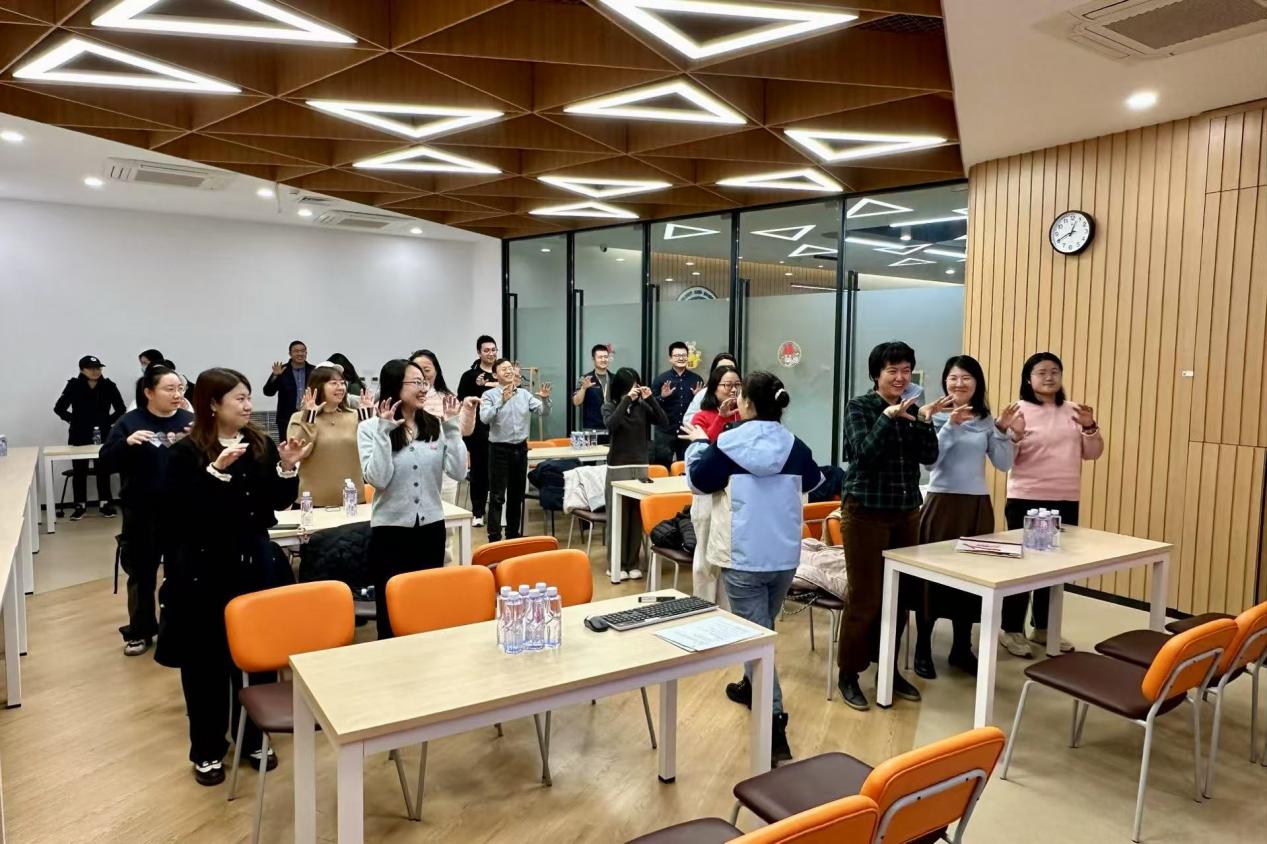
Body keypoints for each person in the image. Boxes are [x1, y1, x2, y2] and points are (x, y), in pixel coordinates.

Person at [160, 368, 310, 785]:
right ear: (213, 404)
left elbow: (274, 503)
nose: (248, 406)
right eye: (239, 399)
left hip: (253, 563)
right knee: (205, 663)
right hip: (203, 570)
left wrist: (286, 468)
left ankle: (254, 737)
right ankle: (207, 748)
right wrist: (216, 473)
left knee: (257, 656)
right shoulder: (186, 452)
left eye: (248, 397)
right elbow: (182, 515)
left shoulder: (259, 443)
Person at [684, 371, 822, 765]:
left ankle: (774, 722)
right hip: (783, 557)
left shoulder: (727, 444)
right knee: (762, 628)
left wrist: (699, 444)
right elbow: (813, 480)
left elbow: (698, 482)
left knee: (756, 638)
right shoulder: (794, 444)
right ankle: (750, 685)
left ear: (746, 403)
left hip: (743, 557)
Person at [836, 341, 942, 711]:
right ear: (876, 374)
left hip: (905, 511)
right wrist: (887, 417)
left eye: (905, 370)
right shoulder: (860, 406)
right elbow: (862, 455)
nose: (900, 377)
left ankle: (889, 670)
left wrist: (924, 420)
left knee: (900, 597)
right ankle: (849, 672)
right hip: (865, 510)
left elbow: (929, 457)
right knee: (866, 597)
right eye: (892, 370)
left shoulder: (913, 408)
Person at [913, 356, 1019, 680]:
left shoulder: (986, 420)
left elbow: (1004, 464)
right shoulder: (934, 415)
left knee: (972, 578)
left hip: (976, 507)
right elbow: (930, 463)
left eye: (966, 378)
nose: (959, 383)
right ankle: (922, 648)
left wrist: (1002, 430)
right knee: (932, 579)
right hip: (941, 503)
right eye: (953, 378)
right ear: (945, 382)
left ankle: (961, 647)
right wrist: (950, 426)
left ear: (977, 383)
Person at [998, 352, 1104, 658]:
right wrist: (1015, 435)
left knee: (1053, 565)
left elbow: (1093, 453)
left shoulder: (1075, 411)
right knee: (1023, 565)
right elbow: (1007, 460)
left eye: (1054, 371)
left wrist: (1090, 426)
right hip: (1027, 498)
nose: (1049, 377)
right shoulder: (1018, 410)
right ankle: (1011, 629)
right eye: (1041, 372)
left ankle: (1044, 627)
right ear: (1028, 378)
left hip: (1065, 498)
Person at [358, 359, 466, 639]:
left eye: (424, 383)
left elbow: (458, 472)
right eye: (416, 382)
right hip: (390, 531)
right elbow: (378, 479)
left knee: (426, 603)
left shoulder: (434, 425)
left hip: (431, 528)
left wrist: (453, 427)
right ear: (395, 385)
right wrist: (384, 433)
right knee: (391, 609)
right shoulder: (370, 428)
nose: (423, 388)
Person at [98, 365, 195, 657]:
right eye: (169, 389)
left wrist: (200, 441)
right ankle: (140, 631)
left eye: (180, 388)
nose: (177, 394)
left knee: (182, 573)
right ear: (149, 392)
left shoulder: (190, 422)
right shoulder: (129, 422)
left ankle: (179, 629)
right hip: (142, 513)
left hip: (182, 512)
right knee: (142, 574)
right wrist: (126, 445)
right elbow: (105, 461)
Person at [602, 367, 668, 580]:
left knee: (636, 517)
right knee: (618, 517)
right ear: (621, 388)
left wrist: (651, 399)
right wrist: (625, 401)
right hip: (618, 466)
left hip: (640, 465)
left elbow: (663, 422)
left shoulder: (642, 406)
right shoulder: (610, 405)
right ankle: (616, 563)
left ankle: (632, 563)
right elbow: (611, 425)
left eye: (637, 385)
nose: (635, 390)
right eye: (631, 386)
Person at [479, 358, 551, 542]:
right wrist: (501, 401)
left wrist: (544, 399)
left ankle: (512, 535)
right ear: (495, 375)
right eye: (504, 369)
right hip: (499, 450)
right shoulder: (489, 395)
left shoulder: (524, 394)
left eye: (510, 368)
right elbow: (484, 418)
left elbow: (543, 412)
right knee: (497, 496)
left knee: (516, 495)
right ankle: (494, 537)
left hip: (520, 449)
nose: (509, 371)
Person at [286, 366, 374, 507]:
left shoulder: (354, 416)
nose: (340, 387)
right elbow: (299, 452)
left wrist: (367, 417)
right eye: (334, 383)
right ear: (318, 387)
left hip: (352, 500)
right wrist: (309, 417)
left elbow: (371, 449)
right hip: (311, 502)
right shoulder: (299, 418)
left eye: (342, 383)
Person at [53, 354, 126, 520]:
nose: (95, 371)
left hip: (103, 433)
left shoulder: (108, 386)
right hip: (79, 434)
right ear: (82, 370)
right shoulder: (74, 385)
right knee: (80, 470)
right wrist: (74, 420)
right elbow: (59, 408)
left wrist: (107, 422)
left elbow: (121, 409)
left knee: (103, 469)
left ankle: (105, 504)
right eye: (91, 368)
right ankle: (80, 506)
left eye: (98, 368)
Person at [412, 349, 478, 505]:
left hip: (444, 469)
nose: (422, 375)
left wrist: (468, 410)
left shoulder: (447, 397)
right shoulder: (407, 399)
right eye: (417, 370)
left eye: (427, 370)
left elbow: (464, 431)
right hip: (413, 468)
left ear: (436, 371)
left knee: (447, 515)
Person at [456, 335, 500, 527]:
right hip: (479, 432)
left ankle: (498, 514)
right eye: (486, 350)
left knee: (498, 473)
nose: (491, 353)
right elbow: (461, 400)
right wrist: (477, 387)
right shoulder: (470, 376)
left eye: (493, 350)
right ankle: (478, 512)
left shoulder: (501, 373)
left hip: (500, 430)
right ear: (479, 353)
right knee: (479, 472)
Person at [649, 341, 704, 467]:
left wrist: (697, 397)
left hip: (687, 431)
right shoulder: (661, 379)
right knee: (662, 466)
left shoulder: (696, 379)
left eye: (684, 355)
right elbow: (651, 405)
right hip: (665, 431)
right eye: (677, 355)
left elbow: (703, 406)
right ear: (670, 358)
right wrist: (662, 397)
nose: (681, 358)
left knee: (686, 465)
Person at [262, 340, 315, 442]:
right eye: (296, 351)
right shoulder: (282, 370)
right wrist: (275, 376)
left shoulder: (314, 371)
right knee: (288, 446)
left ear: (306, 353)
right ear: (290, 354)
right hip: (286, 418)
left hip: (309, 415)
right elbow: (268, 392)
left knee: (309, 444)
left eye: (303, 351)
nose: (300, 354)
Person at [684, 351, 738, 427]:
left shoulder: (741, 392)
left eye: (731, 368)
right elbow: (687, 421)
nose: (726, 371)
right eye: (721, 368)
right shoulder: (703, 394)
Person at [690, 365, 742, 442]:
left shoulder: (745, 412)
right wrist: (721, 418)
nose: (734, 390)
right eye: (728, 385)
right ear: (714, 388)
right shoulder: (700, 418)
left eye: (737, 385)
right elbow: (705, 445)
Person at [572, 344, 613, 431]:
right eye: (600, 357)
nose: (603, 360)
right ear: (593, 359)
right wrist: (583, 388)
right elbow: (576, 402)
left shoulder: (615, 378)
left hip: (613, 427)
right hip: (592, 429)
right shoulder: (585, 379)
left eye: (606, 357)